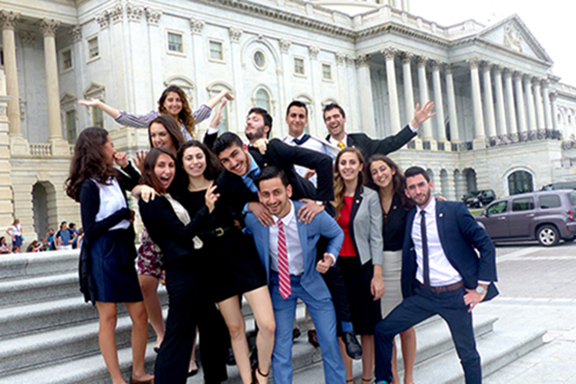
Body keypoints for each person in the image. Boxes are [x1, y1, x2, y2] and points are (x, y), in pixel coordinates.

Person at [373, 167, 499, 384]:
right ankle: (383, 380)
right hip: (423, 296)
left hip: (455, 296)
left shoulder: (454, 210)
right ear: (407, 192)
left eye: (421, 185)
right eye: (412, 187)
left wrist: (481, 289)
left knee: (467, 353)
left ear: (430, 185)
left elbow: (486, 245)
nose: (418, 191)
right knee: (383, 330)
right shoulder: (410, 216)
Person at [173, 140, 275, 384]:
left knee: (267, 324)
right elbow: (185, 231)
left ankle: (261, 373)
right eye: (189, 158)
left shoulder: (224, 179)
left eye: (199, 156)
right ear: (182, 164)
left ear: (207, 158)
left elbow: (251, 196)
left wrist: (249, 205)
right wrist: (206, 209)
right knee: (235, 329)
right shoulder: (179, 194)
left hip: (239, 250)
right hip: (211, 260)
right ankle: (247, 381)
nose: (195, 162)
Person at [65, 127, 153, 384]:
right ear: (97, 148)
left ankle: (138, 372)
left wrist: (128, 166)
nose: (113, 147)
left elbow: (140, 186)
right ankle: (117, 379)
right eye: (110, 143)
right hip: (103, 252)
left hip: (123, 250)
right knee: (109, 317)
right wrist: (122, 215)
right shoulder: (89, 186)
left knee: (140, 315)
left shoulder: (114, 175)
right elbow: (90, 229)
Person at [244, 166, 346, 384]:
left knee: (329, 341)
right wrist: (247, 205)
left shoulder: (308, 213)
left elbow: (336, 233)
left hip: (311, 280)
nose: (272, 200)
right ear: (259, 196)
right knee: (281, 346)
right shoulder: (254, 220)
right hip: (279, 284)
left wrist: (330, 256)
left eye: (277, 192)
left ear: (288, 190)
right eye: (265, 194)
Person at [137, 147, 228, 384]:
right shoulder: (152, 201)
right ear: (150, 170)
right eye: (161, 166)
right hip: (182, 273)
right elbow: (183, 233)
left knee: (212, 325)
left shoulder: (166, 195)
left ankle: (216, 378)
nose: (167, 170)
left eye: (170, 165)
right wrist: (206, 209)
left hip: (193, 270)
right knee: (178, 337)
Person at [332, 148, 384, 384]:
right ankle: (347, 379)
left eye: (352, 162)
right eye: (343, 163)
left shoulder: (370, 196)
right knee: (344, 328)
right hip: (338, 270)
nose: (348, 167)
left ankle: (365, 379)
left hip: (362, 268)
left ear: (360, 166)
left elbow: (376, 237)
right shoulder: (332, 195)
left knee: (367, 328)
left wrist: (377, 274)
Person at [367, 154, 417, 384]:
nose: (380, 175)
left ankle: (408, 377)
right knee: (387, 328)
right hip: (378, 267)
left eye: (383, 169)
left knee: (406, 326)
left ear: (392, 170)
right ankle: (394, 377)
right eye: (375, 172)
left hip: (402, 268)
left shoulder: (405, 198)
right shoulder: (369, 198)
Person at [78, 85, 233, 141]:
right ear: (163, 104)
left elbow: (204, 109)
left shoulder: (185, 120)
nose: (174, 104)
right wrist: (100, 105)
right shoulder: (157, 121)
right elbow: (127, 119)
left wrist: (222, 94)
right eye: (170, 100)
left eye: (178, 100)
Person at [323, 102, 436, 158]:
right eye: (328, 118)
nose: (333, 121)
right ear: (326, 123)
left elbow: (391, 144)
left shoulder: (360, 141)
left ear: (344, 118)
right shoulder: (322, 148)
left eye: (336, 116)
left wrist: (415, 123)